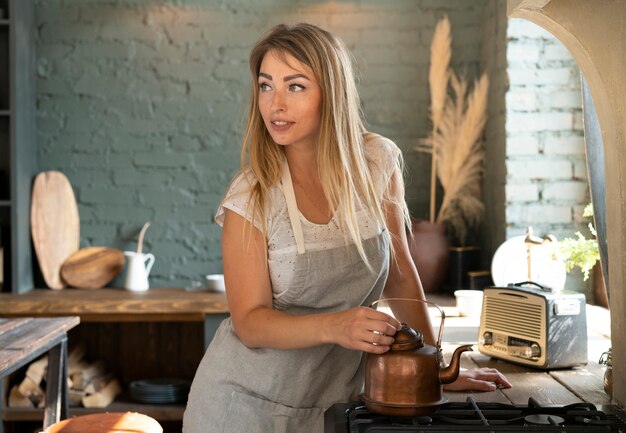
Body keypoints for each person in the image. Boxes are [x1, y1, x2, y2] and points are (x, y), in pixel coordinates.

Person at [183, 23, 511, 433]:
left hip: (339, 405)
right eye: (266, 86)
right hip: (242, 408)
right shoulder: (250, 196)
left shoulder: (377, 163)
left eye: (295, 86)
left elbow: (400, 273)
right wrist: (336, 325)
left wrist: (435, 368)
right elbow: (249, 323)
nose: (275, 104)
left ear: (331, 92)